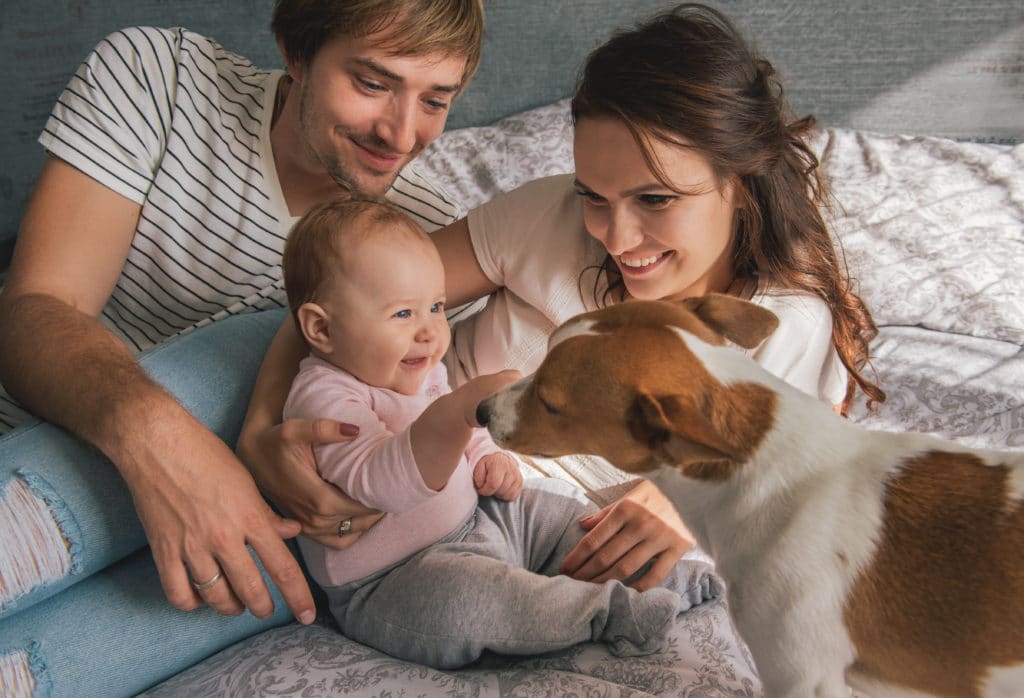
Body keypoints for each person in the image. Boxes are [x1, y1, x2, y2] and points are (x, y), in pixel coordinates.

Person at [240, 1, 886, 603]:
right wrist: (261, 430)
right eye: (594, 194)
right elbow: (344, 300)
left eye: (655, 199)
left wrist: (691, 503)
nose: (617, 237)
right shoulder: (548, 216)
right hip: (365, 422)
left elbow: (799, 474)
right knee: (201, 406)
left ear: (741, 184)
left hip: (457, 524)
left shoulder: (782, 325)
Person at [0, 1, 484, 694]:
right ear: (296, 49)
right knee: (270, 337)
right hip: (55, 440)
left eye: (435, 100)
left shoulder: (423, 240)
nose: (401, 133)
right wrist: (167, 443)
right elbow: (33, 312)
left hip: (246, 532)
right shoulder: (160, 81)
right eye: (373, 83)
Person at [279, 194, 719, 667]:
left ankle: (673, 577)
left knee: (562, 517)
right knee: (471, 603)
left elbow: (468, 438)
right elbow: (380, 484)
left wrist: (489, 456)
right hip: (398, 578)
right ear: (322, 330)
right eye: (403, 314)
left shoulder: (417, 367)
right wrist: (457, 412)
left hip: (479, 520)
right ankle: (608, 613)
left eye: (436, 307)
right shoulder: (323, 396)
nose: (430, 332)